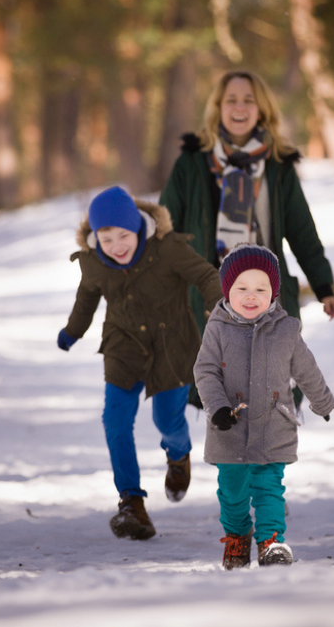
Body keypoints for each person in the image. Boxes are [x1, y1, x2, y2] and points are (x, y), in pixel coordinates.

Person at [159, 70, 334, 407]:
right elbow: (166, 231)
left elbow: (302, 231)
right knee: (218, 390)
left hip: (266, 293)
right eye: (231, 100)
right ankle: (225, 458)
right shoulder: (192, 163)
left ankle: (266, 459)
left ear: (262, 109)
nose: (239, 107)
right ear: (218, 107)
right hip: (210, 297)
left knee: (270, 389)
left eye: (248, 100)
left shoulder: (278, 165)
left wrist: (323, 286)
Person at [58, 185, 223, 540]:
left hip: (172, 345)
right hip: (123, 347)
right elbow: (86, 299)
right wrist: (72, 332)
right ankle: (131, 503)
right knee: (115, 422)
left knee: (167, 419)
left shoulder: (168, 249)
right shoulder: (93, 263)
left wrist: (218, 307)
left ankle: (178, 456)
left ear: (138, 229)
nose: (116, 246)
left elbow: (207, 276)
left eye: (123, 235)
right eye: (106, 238)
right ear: (94, 237)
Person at [194, 244, 334, 568]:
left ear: (273, 293)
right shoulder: (217, 329)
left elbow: (306, 370)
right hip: (228, 428)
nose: (251, 296)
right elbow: (205, 371)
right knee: (232, 492)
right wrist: (216, 408)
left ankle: (272, 541)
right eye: (241, 288)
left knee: (269, 487)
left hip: (273, 425)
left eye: (261, 289)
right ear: (227, 290)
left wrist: (323, 402)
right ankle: (237, 537)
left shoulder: (286, 331)